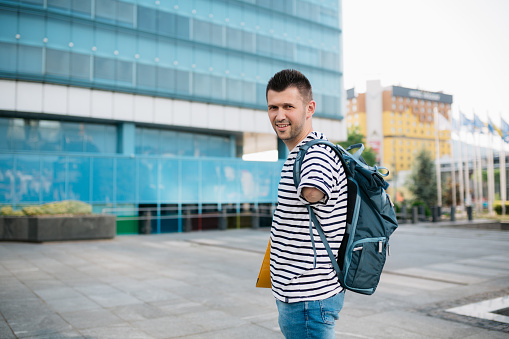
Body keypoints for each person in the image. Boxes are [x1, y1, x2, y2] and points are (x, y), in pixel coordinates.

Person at [266, 69, 348, 338]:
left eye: (289, 106)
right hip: (301, 296)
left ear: (309, 108)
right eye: (273, 107)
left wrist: (311, 188)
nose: (279, 116)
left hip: (307, 300)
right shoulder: (303, 152)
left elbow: (314, 189)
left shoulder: (315, 153)